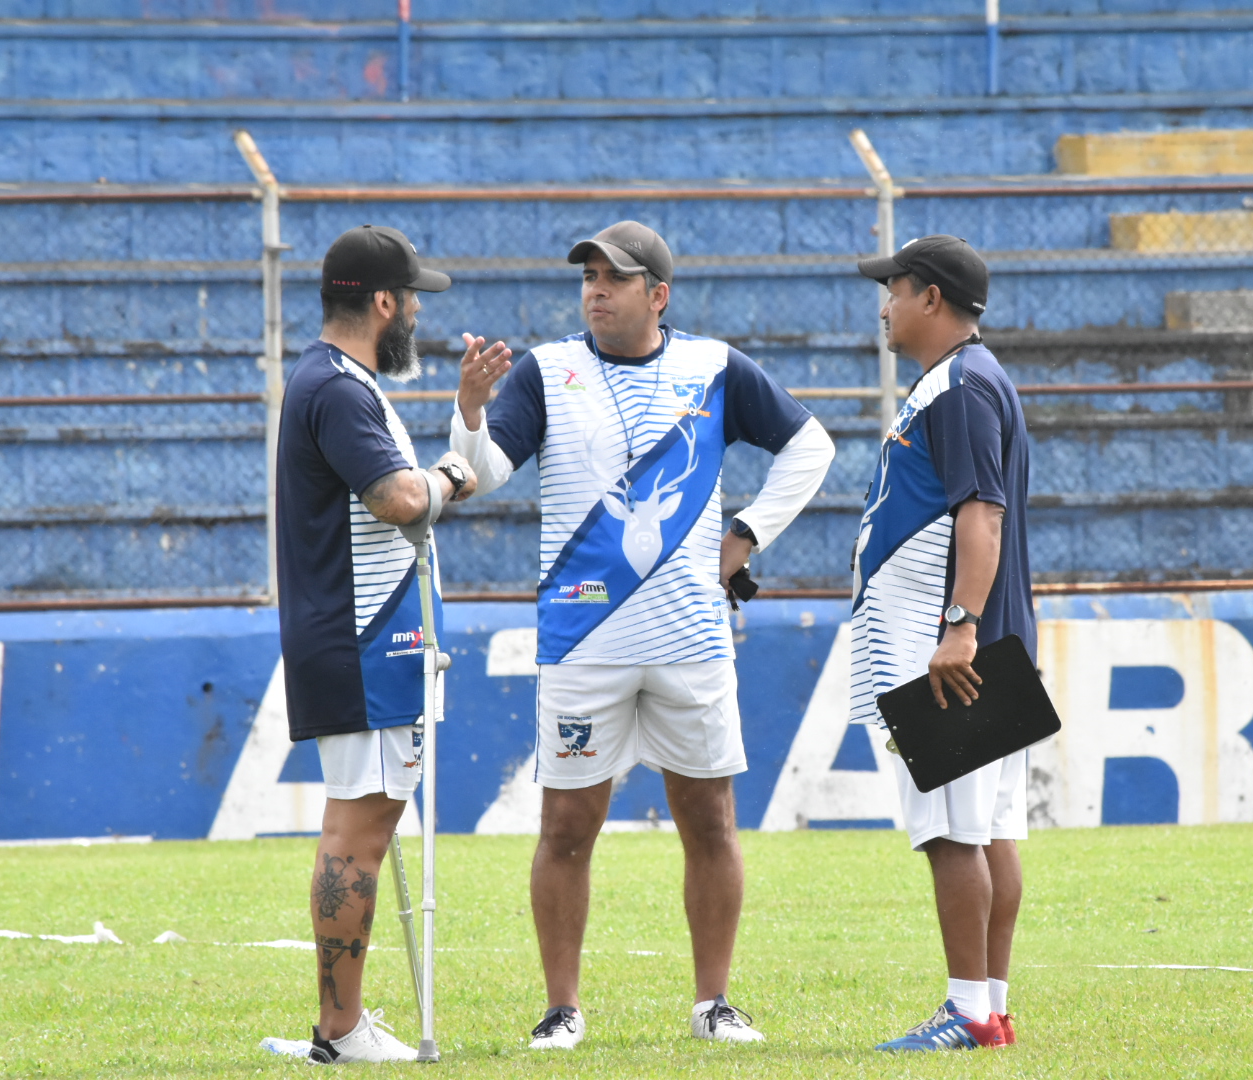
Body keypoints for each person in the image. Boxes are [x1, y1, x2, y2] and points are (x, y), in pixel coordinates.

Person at [448, 220, 835, 1049]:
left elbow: (812, 445)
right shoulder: (548, 371)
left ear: (658, 295)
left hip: (691, 639)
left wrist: (748, 533)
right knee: (565, 830)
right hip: (582, 641)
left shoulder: (715, 367)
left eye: (614, 278)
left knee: (711, 824)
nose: (595, 290)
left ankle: (714, 1003)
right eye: (588, 277)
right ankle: (562, 1008)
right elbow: (481, 475)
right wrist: (470, 410)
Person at [276, 224, 501, 1064]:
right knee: (358, 832)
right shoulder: (337, 388)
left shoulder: (339, 381)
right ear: (381, 302)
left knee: (361, 824)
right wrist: (450, 476)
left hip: (367, 641)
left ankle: (339, 1027)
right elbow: (398, 499)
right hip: (364, 642)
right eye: (410, 299)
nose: (415, 313)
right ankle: (340, 1029)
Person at [848, 235, 1034, 1052]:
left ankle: (966, 1012)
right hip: (984, 641)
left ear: (930, 298)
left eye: (892, 290)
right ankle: (991, 1010)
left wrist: (958, 626)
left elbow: (980, 514)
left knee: (954, 833)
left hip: (949, 649)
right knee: (989, 830)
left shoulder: (958, 387)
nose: (884, 307)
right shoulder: (968, 379)